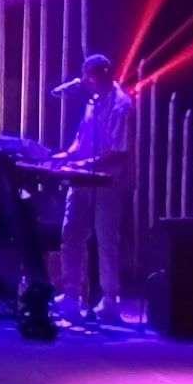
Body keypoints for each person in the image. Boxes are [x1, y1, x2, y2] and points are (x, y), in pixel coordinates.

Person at [51, 52, 133, 322]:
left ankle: (110, 300)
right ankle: (71, 295)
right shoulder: (92, 102)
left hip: (108, 182)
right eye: (86, 78)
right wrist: (64, 156)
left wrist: (84, 164)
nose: (87, 83)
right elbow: (81, 141)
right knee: (71, 233)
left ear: (105, 74)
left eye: (91, 78)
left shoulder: (122, 105)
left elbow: (119, 152)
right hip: (82, 179)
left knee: (106, 239)